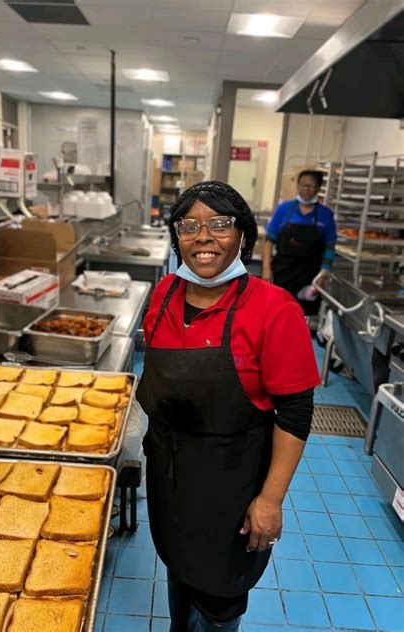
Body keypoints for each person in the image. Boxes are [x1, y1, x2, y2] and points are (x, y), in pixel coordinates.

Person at [136, 181, 321, 632]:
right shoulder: (162, 298)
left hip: (232, 488)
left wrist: (271, 500)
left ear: (243, 236)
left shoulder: (274, 309)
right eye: (190, 225)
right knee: (179, 572)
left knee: (218, 599)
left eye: (220, 224)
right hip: (170, 477)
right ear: (176, 236)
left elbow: (295, 412)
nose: (204, 236)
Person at [262, 169, 337, 315]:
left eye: (310, 186)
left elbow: (330, 248)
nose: (306, 190)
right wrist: (266, 268)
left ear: (318, 188)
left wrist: (323, 275)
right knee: (274, 313)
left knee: (301, 316)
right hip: (281, 272)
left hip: (309, 275)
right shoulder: (284, 208)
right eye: (302, 185)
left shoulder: (325, 214)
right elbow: (269, 240)